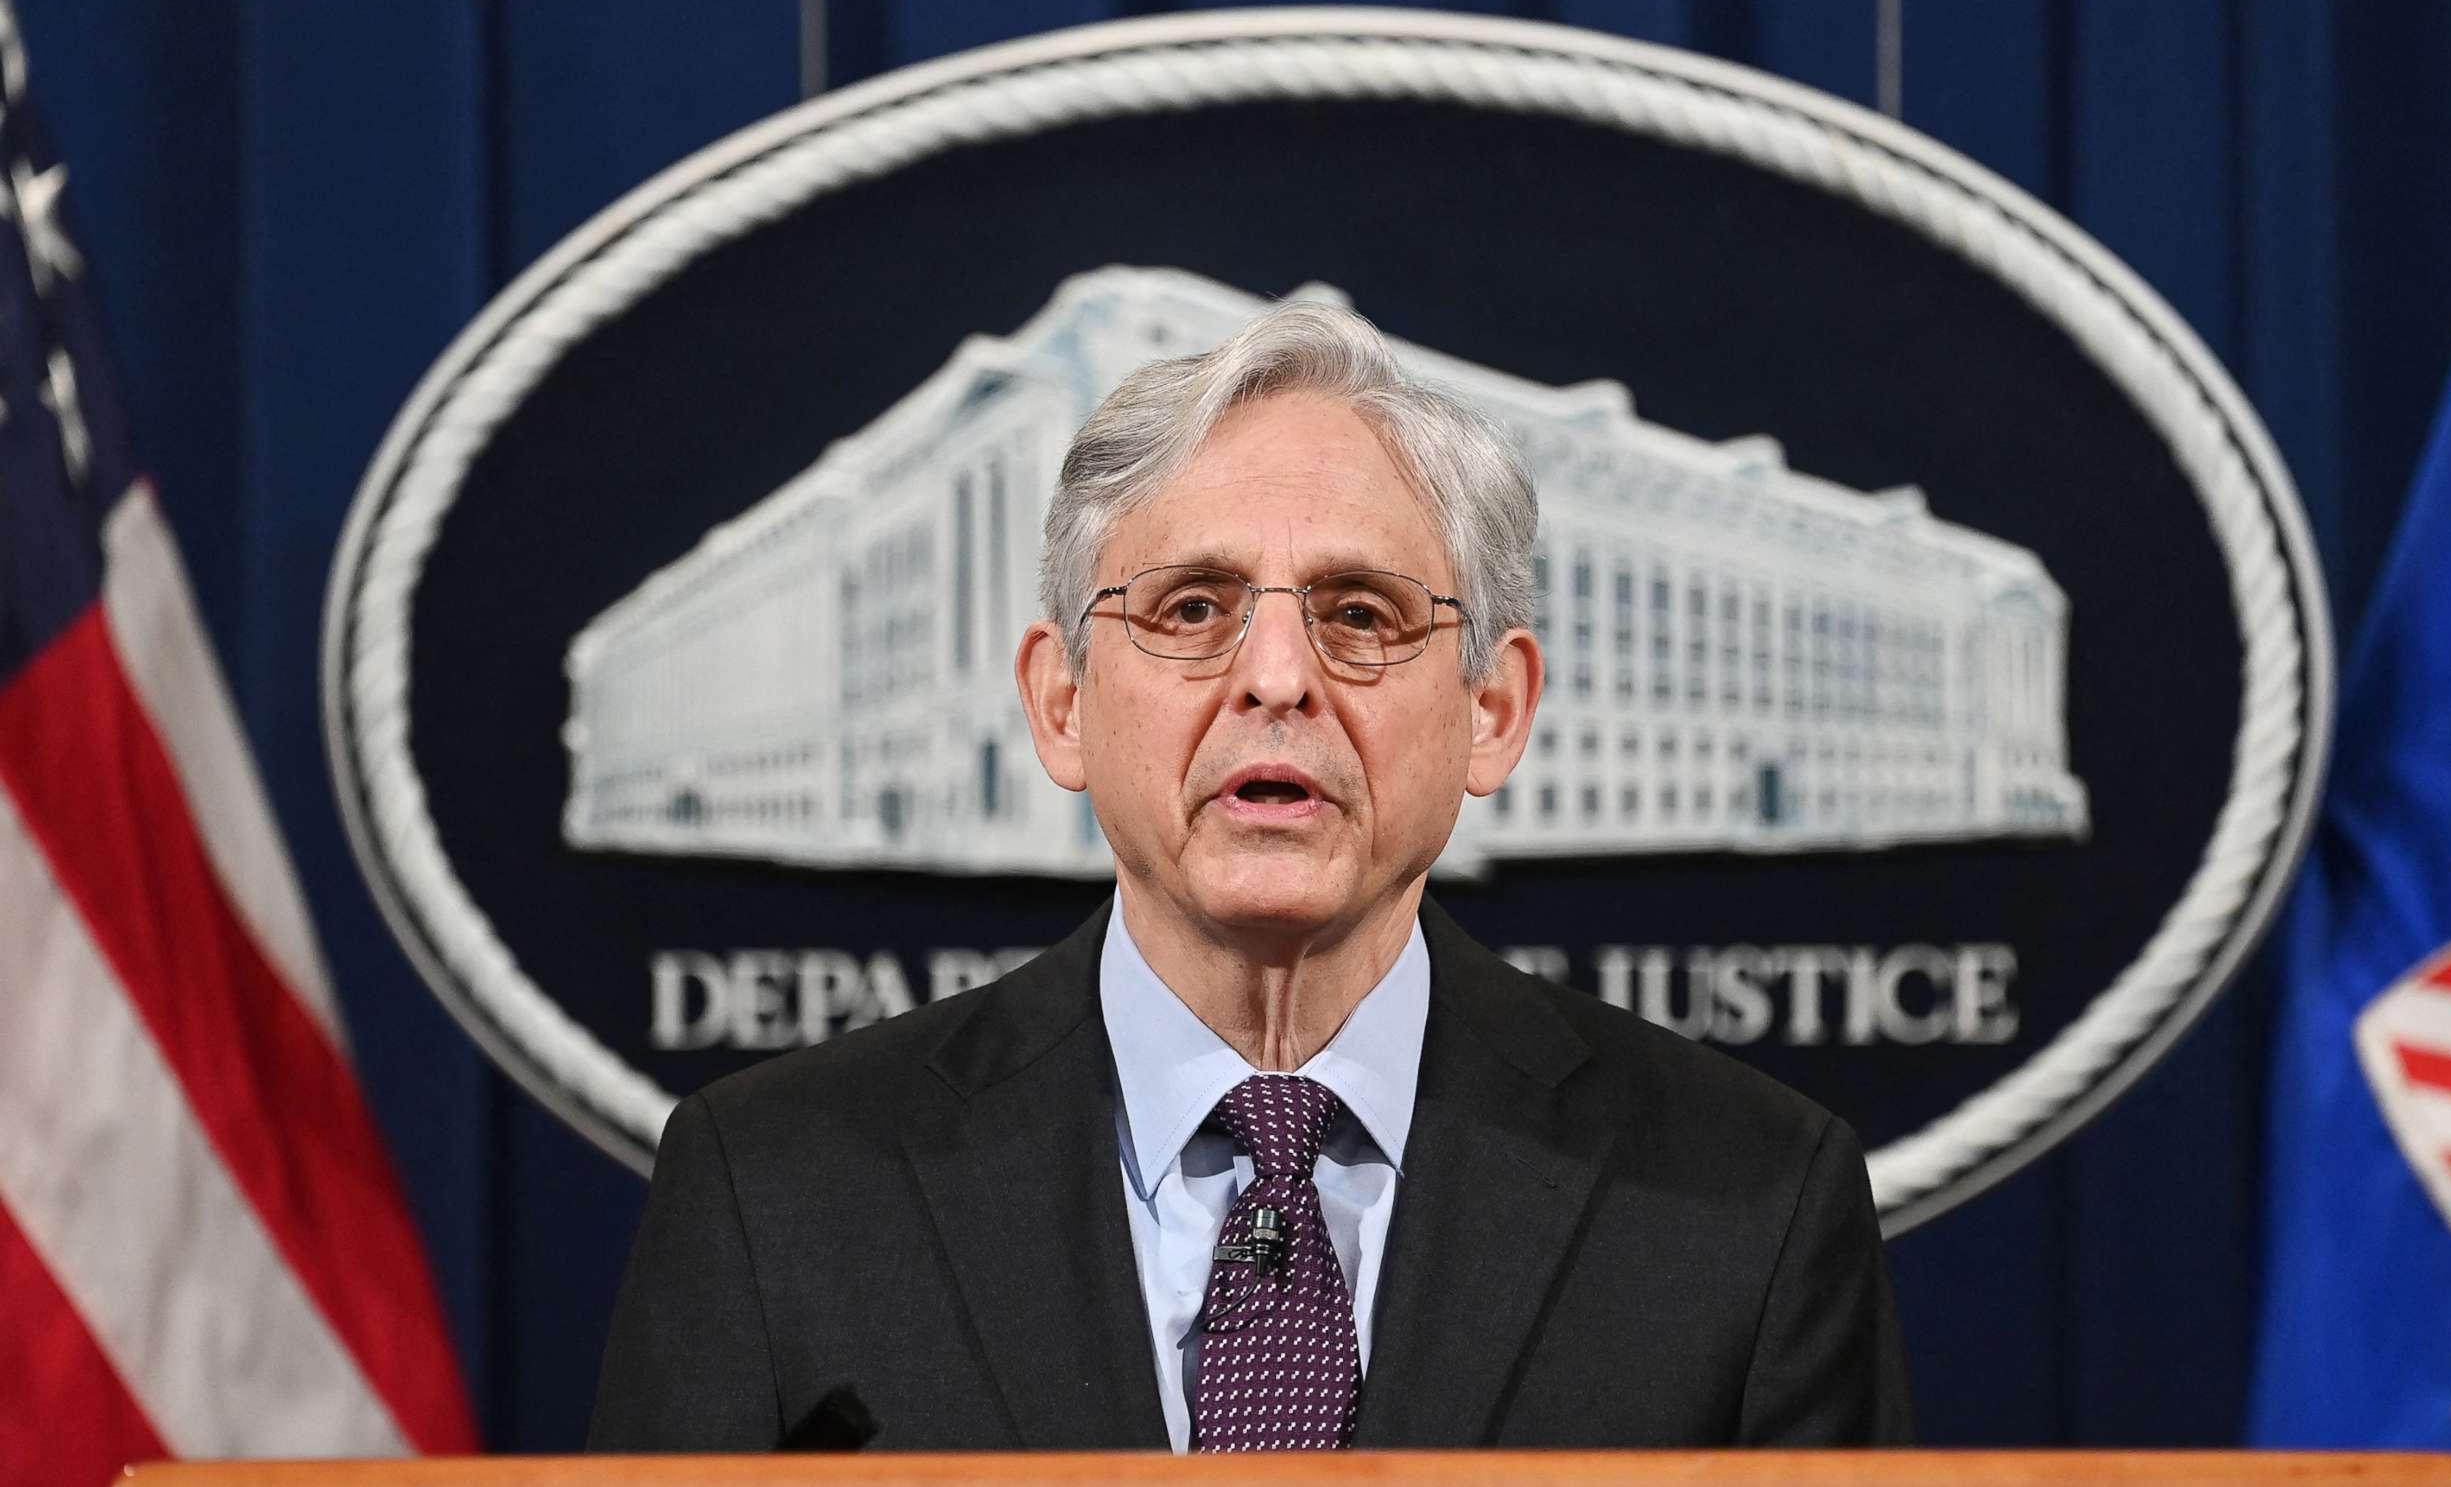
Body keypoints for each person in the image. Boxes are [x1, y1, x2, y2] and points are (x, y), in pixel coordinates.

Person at [589, 300, 1913, 1451]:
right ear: (1061, 704)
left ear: (1493, 711)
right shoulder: (777, 1193)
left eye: (1359, 614)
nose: (1277, 679)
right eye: (1189, 609)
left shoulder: (1752, 1203)